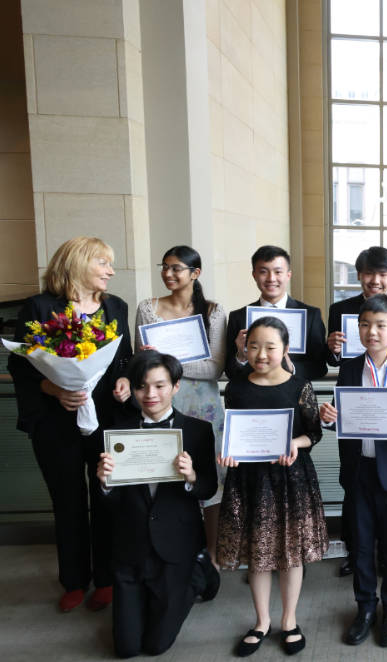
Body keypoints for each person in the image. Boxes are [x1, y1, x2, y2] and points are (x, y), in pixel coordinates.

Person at [8, 236, 133, 612]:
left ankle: (108, 578)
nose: (111, 271)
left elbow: (122, 360)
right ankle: (75, 582)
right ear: (78, 263)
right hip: (54, 423)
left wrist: (126, 381)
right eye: (103, 263)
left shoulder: (116, 307)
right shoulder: (40, 306)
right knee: (68, 502)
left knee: (107, 497)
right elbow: (20, 364)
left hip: (106, 421)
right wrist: (53, 387)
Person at [320, 294, 387, 648]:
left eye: (380, 325)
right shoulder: (350, 368)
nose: (372, 332)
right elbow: (343, 414)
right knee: (362, 547)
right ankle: (365, 608)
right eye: (365, 325)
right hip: (358, 470)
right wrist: (329, 417)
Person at [95, 351, 219, 657]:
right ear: (133, 389)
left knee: (155, 645)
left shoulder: (197, 430)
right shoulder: (116, 432)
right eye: (142, 387)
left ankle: (201, 572)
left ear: (176, 386)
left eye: (160, 386)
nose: (150, 394)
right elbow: (109, 501)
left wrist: (191, 476)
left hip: (176, 545)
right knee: (125, 648)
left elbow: (209, 487)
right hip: (130, 545)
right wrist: (104, 482)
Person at [217, 318, 328, 656]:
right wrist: (229, 454)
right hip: (248, 480)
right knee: (258, 553)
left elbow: (315, 434)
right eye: (253, 346)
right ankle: (261, 621)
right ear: (244, 347)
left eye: (270, 347)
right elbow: (235, 433)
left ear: (285, 349)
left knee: (290, 553)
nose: (261, 354)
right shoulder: (236, 386)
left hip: (290, 479)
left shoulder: (299, 386)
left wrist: (296, 441)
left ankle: (290, 620)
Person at [326, 246, 387, 577]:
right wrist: (332, 349)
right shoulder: (341, 312)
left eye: (383, 273)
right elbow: (338, 373)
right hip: (358, 448)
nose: (375, 280)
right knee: (359, 527)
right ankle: (359, 574)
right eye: (369, 272)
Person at [135, 245, 227, 567]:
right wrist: (155, 363)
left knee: (209, 479)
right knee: (166, 475)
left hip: (204, 407)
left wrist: (167, 363)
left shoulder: (214, 311)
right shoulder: (147, 309)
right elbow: (142, 366)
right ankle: (172, 551)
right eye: (165, 267)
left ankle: (212, 556)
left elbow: (214, 369)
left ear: (195, 273)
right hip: (160, 404)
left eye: (177, 268)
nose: (168, 274)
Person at [224, 245, 327, 381]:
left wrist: (291, 368)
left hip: (293, 396)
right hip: (251, 396)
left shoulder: (310, 315)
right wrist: (241, 356)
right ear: (254, 275)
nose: (271, 278)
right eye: (263, 272)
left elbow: (320, 367)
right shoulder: (238, 317)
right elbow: (230, 371)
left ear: (288, 275)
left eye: (278, 272)